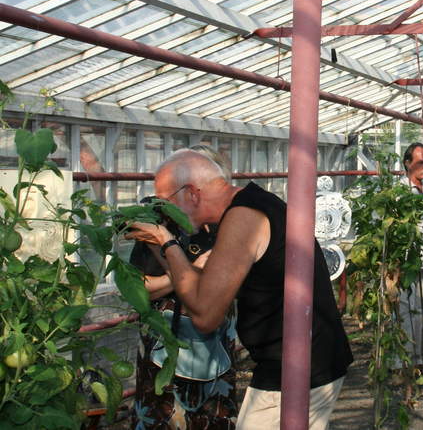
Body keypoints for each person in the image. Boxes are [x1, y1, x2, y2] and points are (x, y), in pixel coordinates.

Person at [126, 149, 353, 430]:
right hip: (301, 361)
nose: (163, 212)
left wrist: (166, 242)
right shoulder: (255, 203)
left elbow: (205, 315)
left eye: (167, 202)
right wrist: (159, 244)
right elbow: (195, 286)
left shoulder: (243, 218)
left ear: (193, 193)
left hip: (297, 368)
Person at [129, 147, 237, 429]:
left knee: (212, 416)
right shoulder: (158, 227)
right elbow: (140, 291)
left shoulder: (225, 227)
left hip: (213, 347)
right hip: (163, 343)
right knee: (162, 414)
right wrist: (189, 271)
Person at [398, 142, 423, 372]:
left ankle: (417, 358)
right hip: (403, 261)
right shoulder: (400, 192)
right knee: (403, 309)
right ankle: (400, 360)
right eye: (421, 162)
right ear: (407, 163)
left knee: (420, 309)